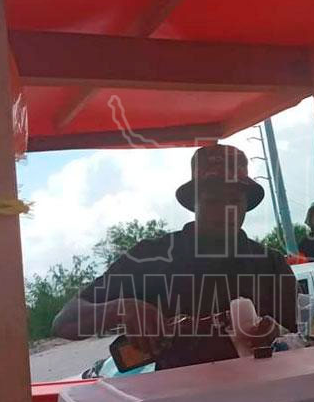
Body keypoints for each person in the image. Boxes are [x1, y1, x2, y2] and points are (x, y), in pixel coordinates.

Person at [52, 144, 298, 370]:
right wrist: (120, 309)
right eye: (213, 201)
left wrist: (279, 337)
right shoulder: (151, 257)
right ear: (195, 204)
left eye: (234, 200)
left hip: (263, 396)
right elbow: (65, 323)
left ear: (246, 205)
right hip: (178, 401)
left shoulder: (271, 264)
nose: (226, 210)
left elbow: (303, 336)